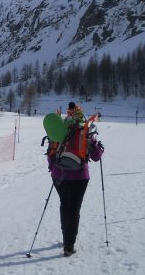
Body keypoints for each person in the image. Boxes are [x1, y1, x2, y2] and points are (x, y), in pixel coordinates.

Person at [47, 101, 104, 257]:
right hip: (80, 177)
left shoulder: (59, 130)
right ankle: (69, 244)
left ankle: (66, 238)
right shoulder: (85, 130)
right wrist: (99, 145)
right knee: (74, 209)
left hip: (59, 176)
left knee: (64, 205)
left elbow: (50, 153)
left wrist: (53, 169)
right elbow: (96, 156)